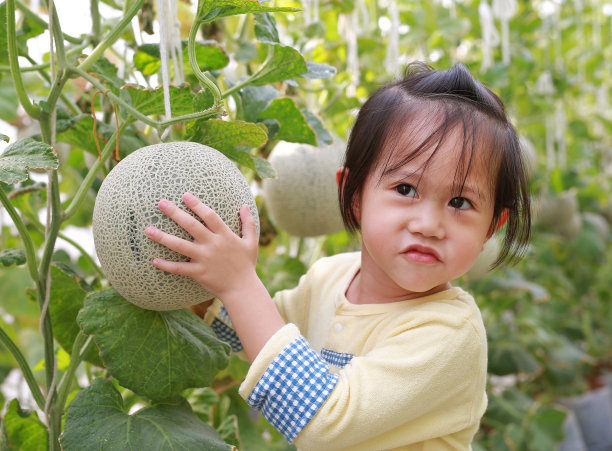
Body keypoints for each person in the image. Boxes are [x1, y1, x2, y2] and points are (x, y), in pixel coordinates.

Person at [144, 61, 531, 450]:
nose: (429, 224)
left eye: (460, 201)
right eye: (406, 189)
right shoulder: (329, 277)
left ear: (491, 228)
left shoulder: (451, 333)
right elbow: (257, 335)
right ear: (354, 194)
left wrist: (239, 282)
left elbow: (321, 422)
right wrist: (199, 276)